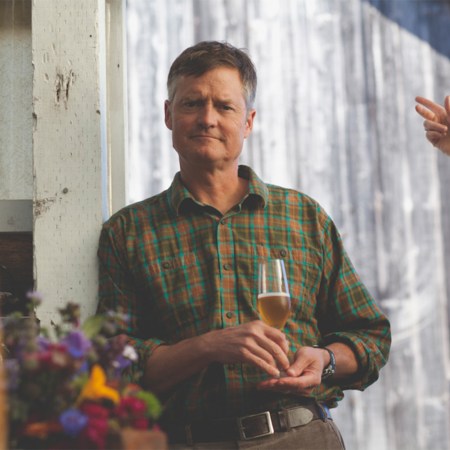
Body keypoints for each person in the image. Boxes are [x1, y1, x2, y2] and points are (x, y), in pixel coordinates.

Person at [97, 41, 391, 449]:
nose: (207, 118)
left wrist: (324, 360)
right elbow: (114, 363)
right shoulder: (128, 231)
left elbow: (370, 337)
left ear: (248, 121)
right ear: (168, 115)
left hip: (301, 435)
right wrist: (208, 347)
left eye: (224, 106)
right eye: (191, 104)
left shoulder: (304, 216)